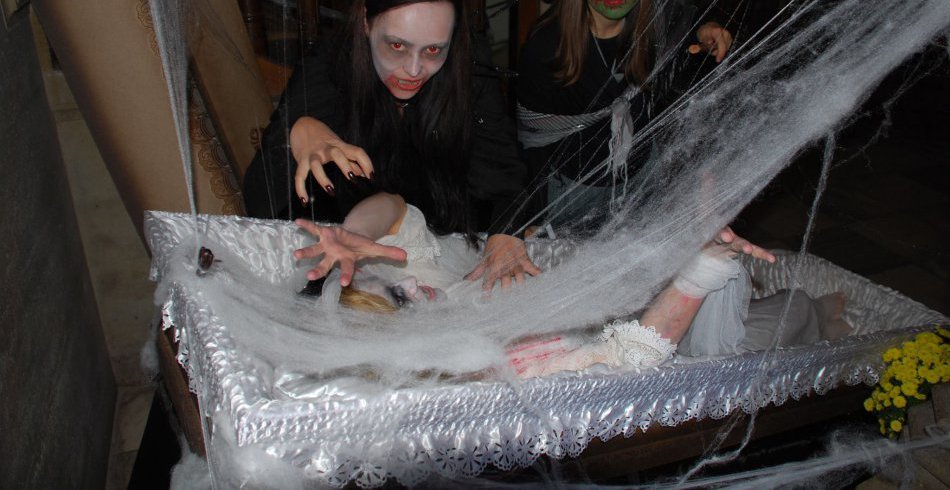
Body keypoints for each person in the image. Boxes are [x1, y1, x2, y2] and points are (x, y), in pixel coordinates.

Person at [293, 192, 851, 378]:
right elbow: (628, 358)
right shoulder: (491, 364)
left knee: (763, 297)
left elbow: (394, 209)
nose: (416, 289)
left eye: (397, 287)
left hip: (619, 311)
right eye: (404, 302)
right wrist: (698, 274)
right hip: (663, 347)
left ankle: (809, 311)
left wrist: (351, 231)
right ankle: (823, 321)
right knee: (784, 317)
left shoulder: (428, 290)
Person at [243, 0, 539, 292]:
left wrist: (506, 233)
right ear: (366, 22)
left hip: (442, 256)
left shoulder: (469, 71)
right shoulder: (331, 65)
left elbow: (505, 175)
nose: (413, 70)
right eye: (397, 46)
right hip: (341, 265)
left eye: (433, 50)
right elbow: (261, 200)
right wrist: (298, 132)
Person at [516, 0, 734, 230]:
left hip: (644, 179)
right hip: (572, 193)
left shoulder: (657, 21)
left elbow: (691, 19)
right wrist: (529, 217)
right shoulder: (546, 46)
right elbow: (530, 142)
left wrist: (708, 27)